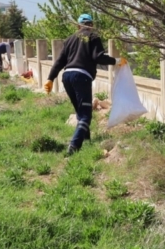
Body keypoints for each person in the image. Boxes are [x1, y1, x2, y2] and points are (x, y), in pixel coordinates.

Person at [45, 14, 125, 155]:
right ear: (91, 25)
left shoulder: (69, 39)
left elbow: (59, 61)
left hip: (67, 76)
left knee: (80, 112)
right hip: (82, 77)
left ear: (78, 26)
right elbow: (98, 57)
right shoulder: (93, 37)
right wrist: (116, 61)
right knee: (85, 115)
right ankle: (73, 146)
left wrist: (50, 78)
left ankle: (86, 140)